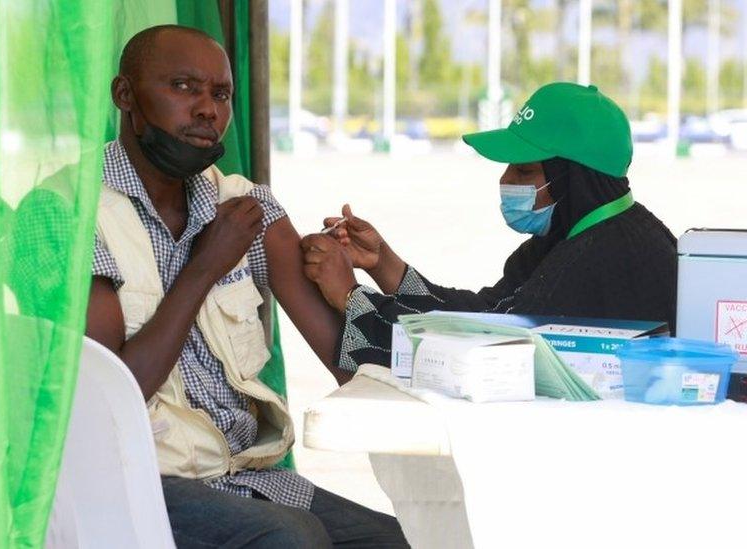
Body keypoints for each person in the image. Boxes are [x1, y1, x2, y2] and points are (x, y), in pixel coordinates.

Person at [84, 25, 407, 548]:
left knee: (401, 540)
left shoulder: (244, 208)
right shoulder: (75, 214)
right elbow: (107, 400)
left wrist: (350, 293)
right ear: (125, 96)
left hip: (244, 474)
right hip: (132, 479)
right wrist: (206, 265)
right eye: (184, 87)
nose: (208, 109)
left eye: (222, 94)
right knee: (292, 540)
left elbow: (348, 366)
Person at [301, 82, 678, 372]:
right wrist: (383, 262)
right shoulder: (577, 235)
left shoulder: (602, 256)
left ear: (571, 177)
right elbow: (488, 311)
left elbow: (483, 350)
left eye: (525, 170)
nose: (507, 179)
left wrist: (350, 296)